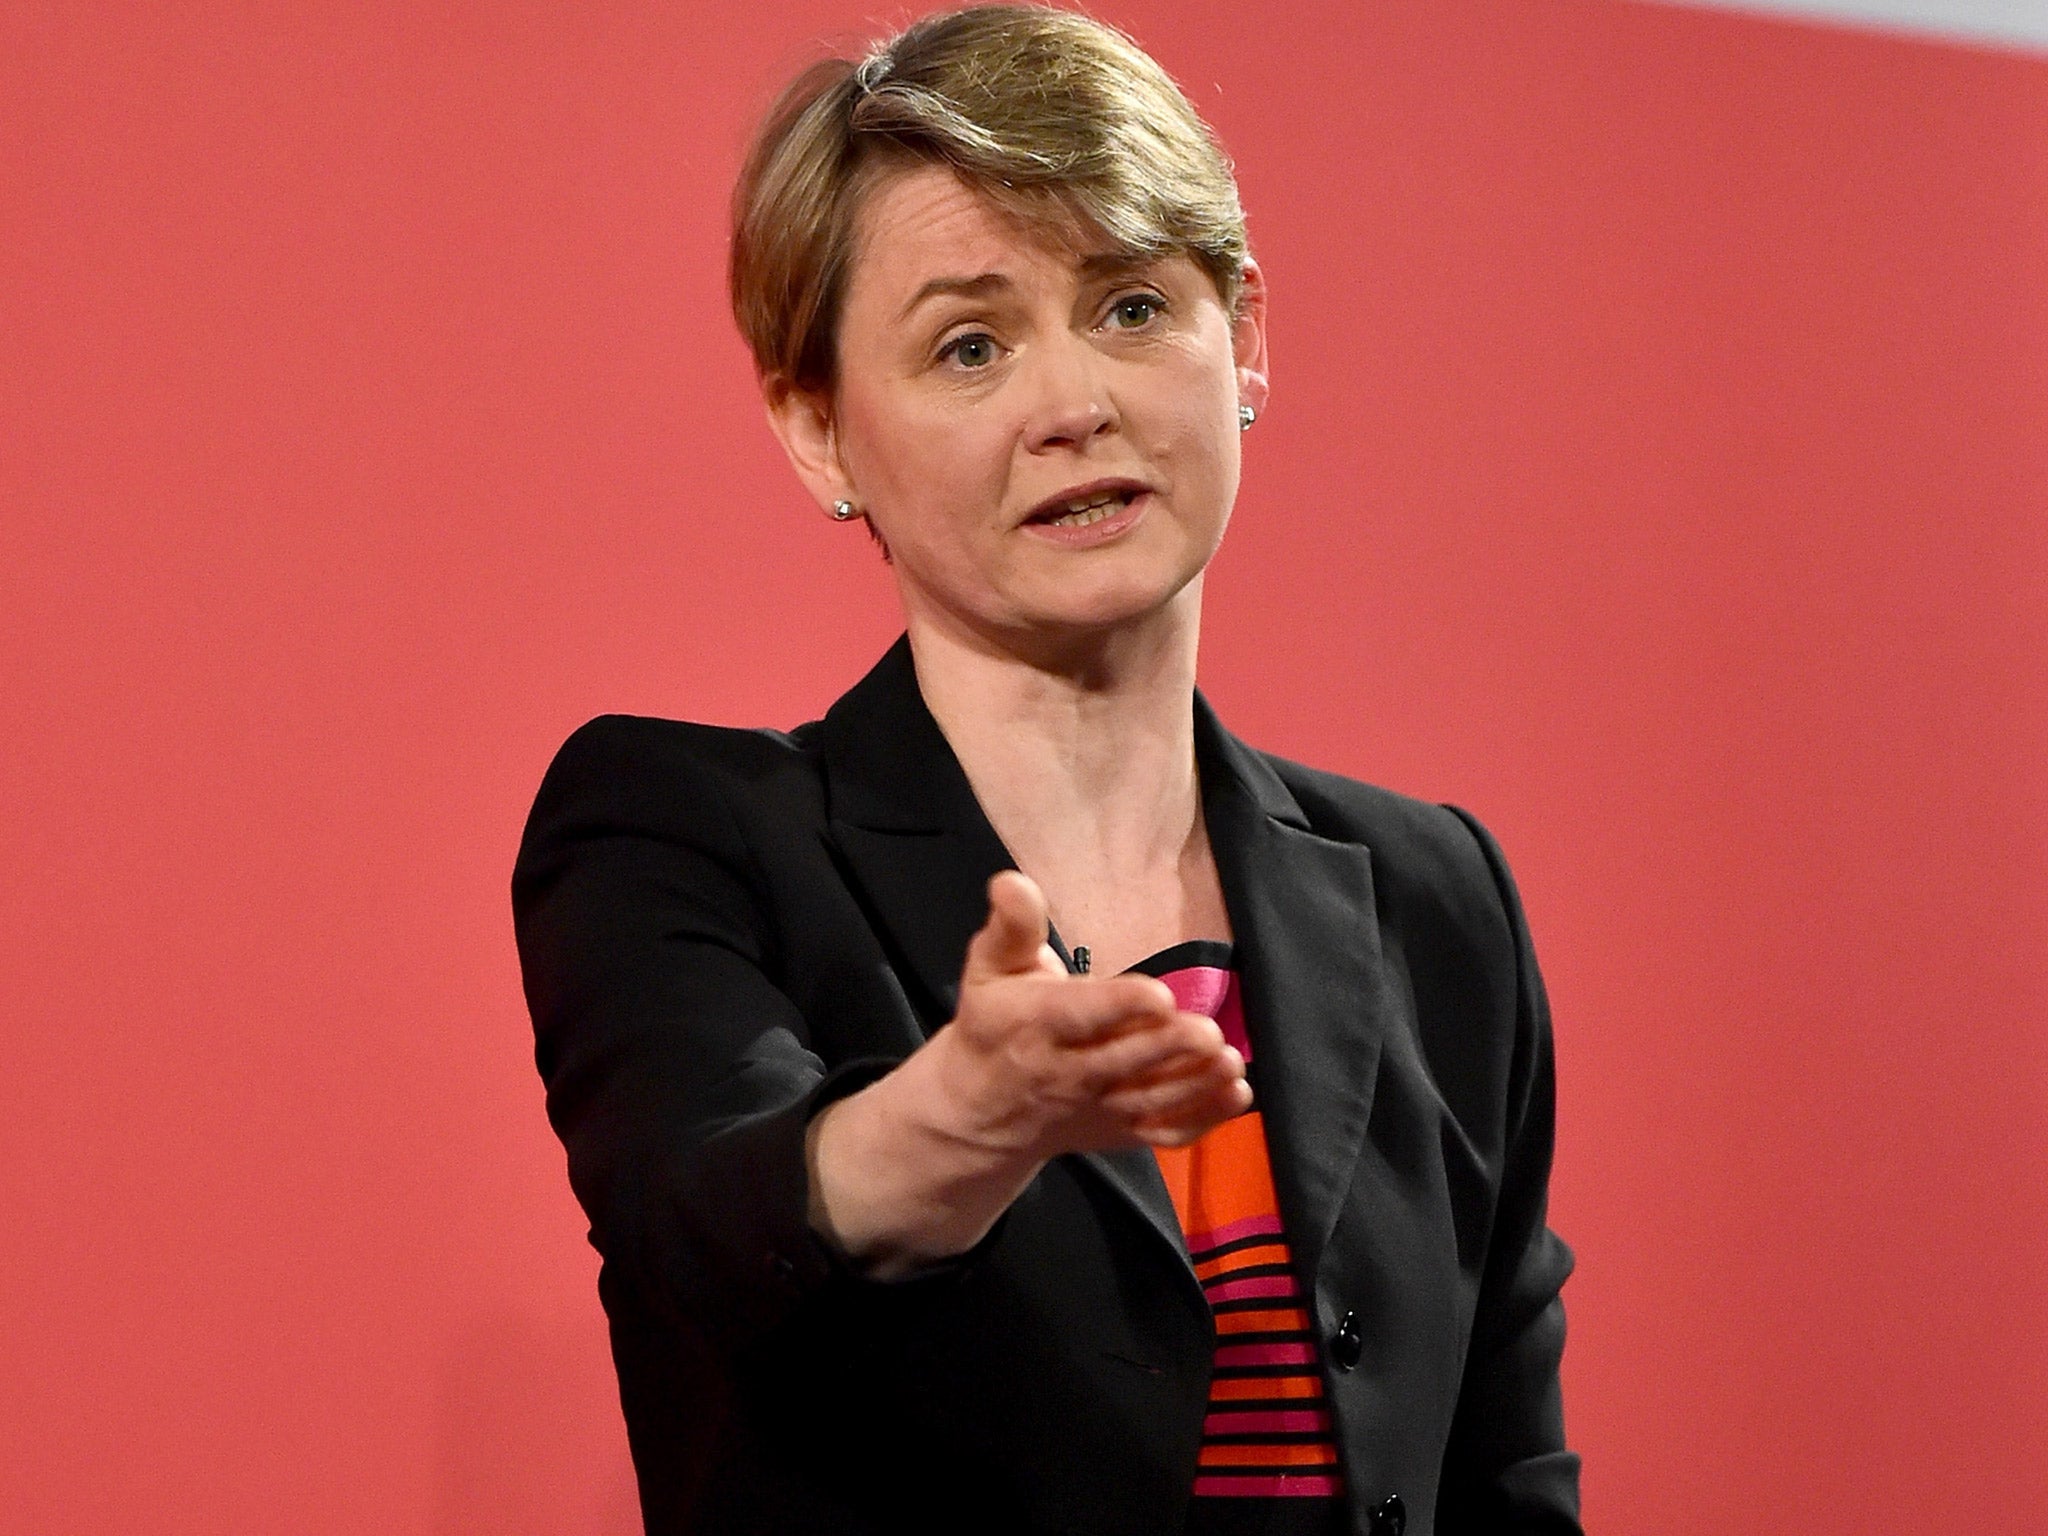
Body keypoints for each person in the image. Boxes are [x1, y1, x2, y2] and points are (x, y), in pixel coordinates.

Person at [512, 7, 1580, 1534]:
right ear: (820, 434)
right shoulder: (677, 834)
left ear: (1247, 339)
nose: (1072, 402)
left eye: (1134, 306)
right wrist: (965, 1114)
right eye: (969, 344)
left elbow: (1503, 1481)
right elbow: (713, 1219)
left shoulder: (1437, 895)